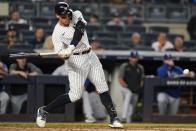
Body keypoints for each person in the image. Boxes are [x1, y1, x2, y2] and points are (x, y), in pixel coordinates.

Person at [36, 2, 123, 128]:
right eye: (63, 17)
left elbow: (80, 29)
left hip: (90, 55)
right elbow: (61, 54)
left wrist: (70, 47)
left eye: (67, 15)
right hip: (75, 61)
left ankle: (114, 118)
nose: (66, 18)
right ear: (57, 16)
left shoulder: (76, 14)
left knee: (102, 86)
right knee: (75, 95)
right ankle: (44, 110)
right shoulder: (57, 33)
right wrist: (64, 54)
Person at [118, 51, 144, 123]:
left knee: (131, 109)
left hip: (135, 90)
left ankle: (127, 123)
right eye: (132, 57)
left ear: (137, 58)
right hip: (126, 89)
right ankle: (123, 117)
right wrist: (127, 86)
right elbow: (120, 79)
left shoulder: (140, 68)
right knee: (128, 95)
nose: (134, 59)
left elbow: (141, 81)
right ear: (129, 58)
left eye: (135, 57)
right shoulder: (124, 66)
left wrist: (138, 88)